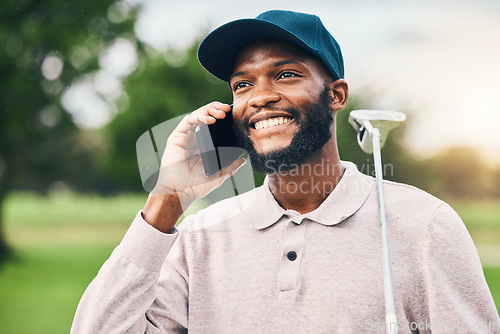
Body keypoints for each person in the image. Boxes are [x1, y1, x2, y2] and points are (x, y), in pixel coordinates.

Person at [71, 10, 500, 333]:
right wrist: (168, 200)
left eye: (286, 75)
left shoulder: (424, 224)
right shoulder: (200, 236)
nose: (260, 97)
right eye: (242, 84)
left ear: (335, 95)